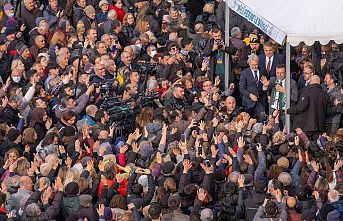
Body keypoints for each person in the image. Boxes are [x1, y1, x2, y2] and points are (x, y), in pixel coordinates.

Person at [286, 75, 328, 140]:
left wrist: (289, 110)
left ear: (311, 81)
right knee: (316, 146)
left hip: (307, 126)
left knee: (307, 145)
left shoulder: (306, 92)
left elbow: (300, 108)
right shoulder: (325, 94)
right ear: (319, 82)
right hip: (320, 127)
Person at [239, 54, 267, 122]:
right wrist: (250, 95)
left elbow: (265, 85)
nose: (254, 66)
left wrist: (265, 86)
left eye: (256, 64)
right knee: (248, 121)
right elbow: (242, 88)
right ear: (249, 64)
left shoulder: (263, 71)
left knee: (262, 118)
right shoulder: (244, 73)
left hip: (261, 100)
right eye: (252, 65)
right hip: (248, 102)